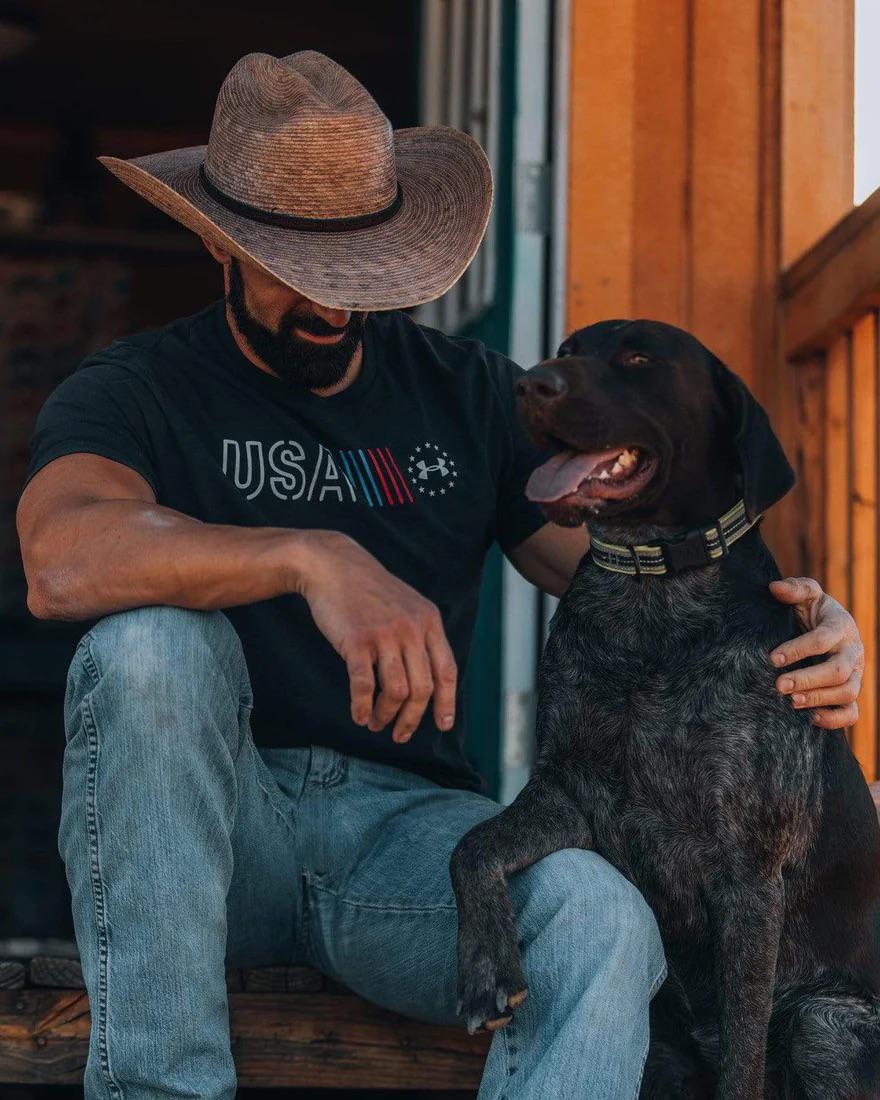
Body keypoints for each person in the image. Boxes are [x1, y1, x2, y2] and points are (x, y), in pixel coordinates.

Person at [16, 50, 863, 1100]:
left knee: (600, 917)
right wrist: (311, 553)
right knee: (146, 646)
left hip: (405, 845)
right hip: (213, 835)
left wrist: (813, 628)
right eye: (292, 265)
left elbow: (644, 565)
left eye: (354, 262)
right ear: (216, 242)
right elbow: (61, 558)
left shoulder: (464, 393)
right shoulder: (139, 385)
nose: (331, 301)